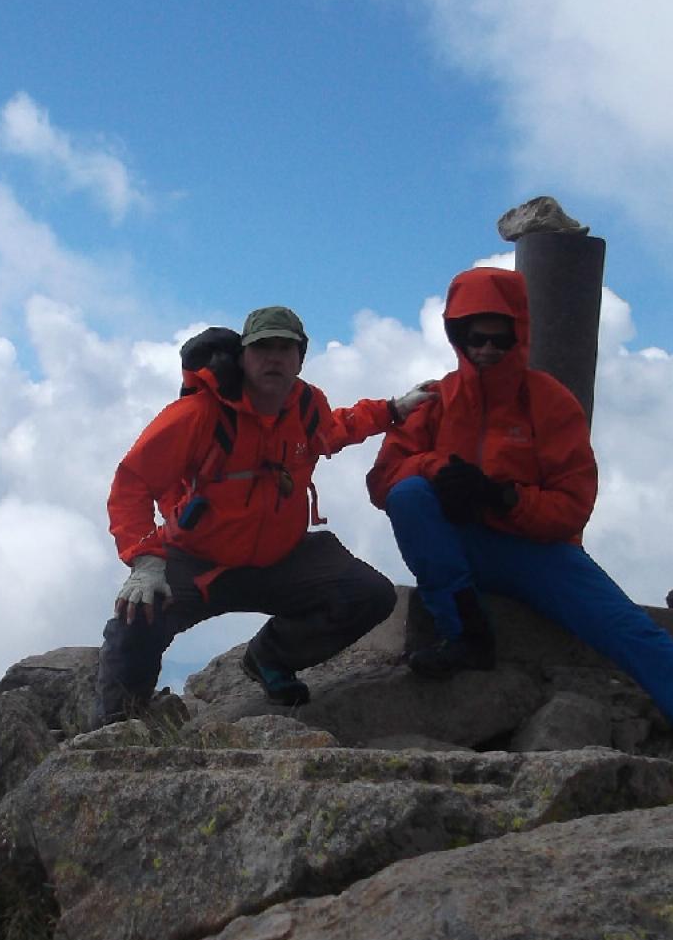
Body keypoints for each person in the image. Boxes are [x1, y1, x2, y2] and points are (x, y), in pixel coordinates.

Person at [366, 265, 673, 770]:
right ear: (456, 335)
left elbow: (572, 506)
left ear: (519, 333)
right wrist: (438, 468)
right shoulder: (433, 401)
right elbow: (382, 483)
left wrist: (502, 497)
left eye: (499, 337)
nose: (487, 349)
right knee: (410, 497)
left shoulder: (550, 402)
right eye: (474, 337)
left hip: (537, 551)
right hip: (460, 549)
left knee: (633, 632)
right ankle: (465, 634)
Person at [98, 305, 435, 722]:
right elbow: (132, 481)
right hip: (200, 563)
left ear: (300, 357)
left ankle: (270, 658)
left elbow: (335, 428)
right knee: (138, 615)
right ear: (242, 356)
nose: (273, 358)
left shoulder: (307, 407)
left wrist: (393, 410)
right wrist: (145, 561)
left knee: (369, 594)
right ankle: (114, 729)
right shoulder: (199, 414)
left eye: (285, 348)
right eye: (262, 348)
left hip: (282, 557)